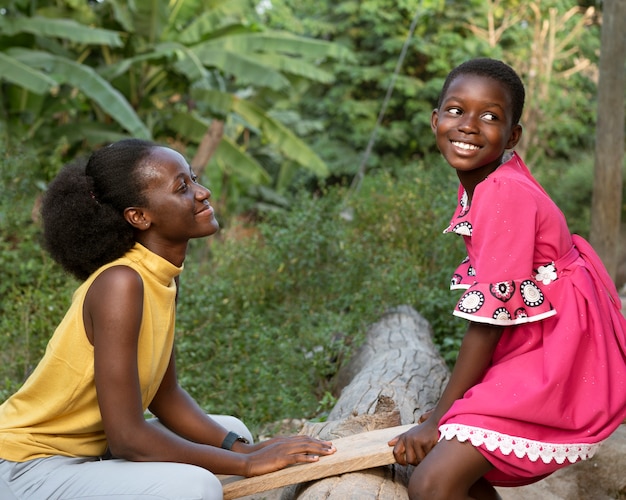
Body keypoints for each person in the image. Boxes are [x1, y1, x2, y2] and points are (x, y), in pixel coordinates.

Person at [0, 139, 336, 499]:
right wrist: (247, 464)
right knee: (197, 485)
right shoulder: (120, 283)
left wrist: (240, 449)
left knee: (234, 430)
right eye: (182, 187)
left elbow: (166, 395)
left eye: (193, 178)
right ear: (139, 216)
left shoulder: (160, 276)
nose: (203, 192)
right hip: (27, 466)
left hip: (90, 454)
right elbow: (128, 438)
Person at [388, 58, 626, 499]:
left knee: (433, 482)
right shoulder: (487, 177)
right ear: (435, 119)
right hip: (544, 333)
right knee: (459, 475)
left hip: (558, 350)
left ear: (513, 136)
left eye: (491, 116)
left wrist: (439, 417)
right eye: (457, 110)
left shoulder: (501, 191)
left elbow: (491, 317)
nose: (469, 126)